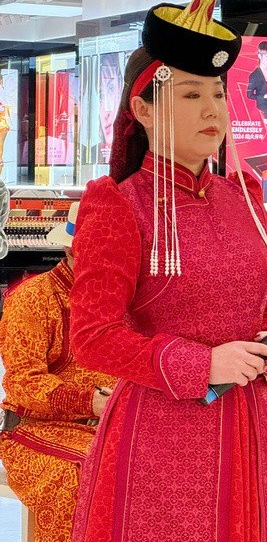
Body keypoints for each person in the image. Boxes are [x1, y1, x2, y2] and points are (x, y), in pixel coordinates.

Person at [67, 0, 267, 541]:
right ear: (142, 109)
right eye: (191, 94)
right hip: (160, 436)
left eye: (218, 93)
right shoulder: (119, 205)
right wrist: (200, 364)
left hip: (251, 429)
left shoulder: (245, 195)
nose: (213, 109)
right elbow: (91, 336)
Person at [0, 203, 116, 542]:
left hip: (108, 426)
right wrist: (90, 401)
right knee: (81, 475)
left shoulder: (121, 301)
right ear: (70, 250)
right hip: (35, 428)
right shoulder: (32, 299)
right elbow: (23, 382)